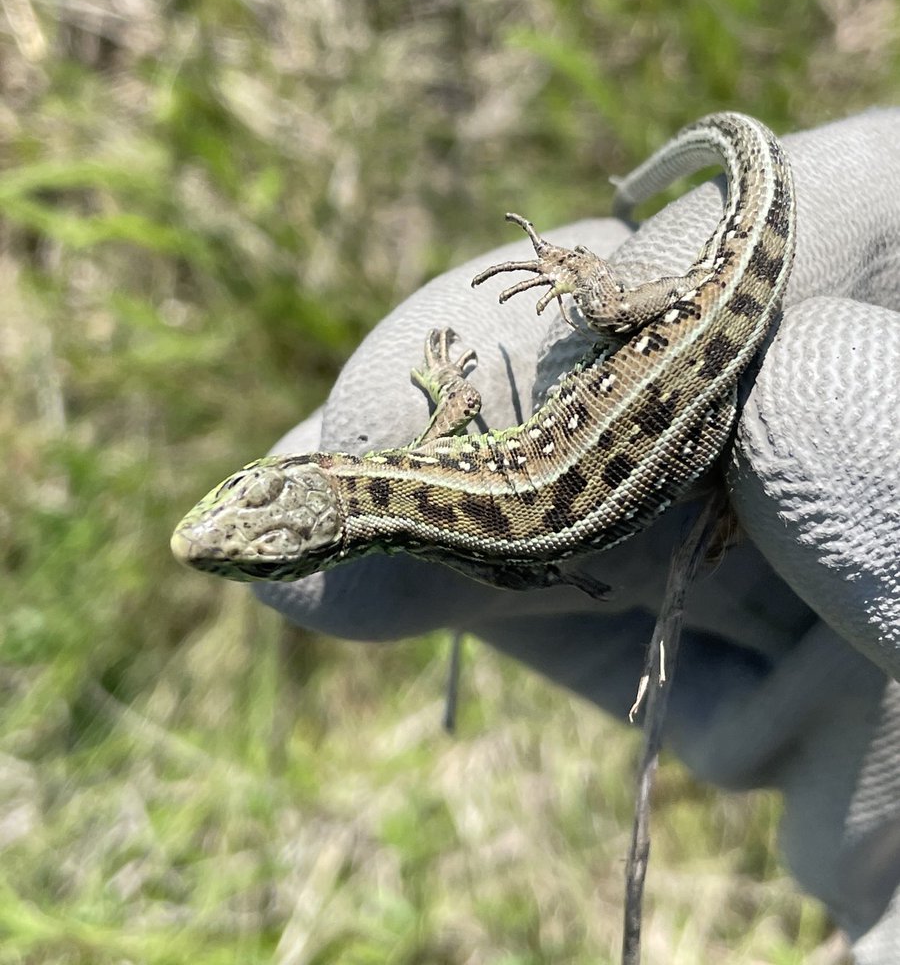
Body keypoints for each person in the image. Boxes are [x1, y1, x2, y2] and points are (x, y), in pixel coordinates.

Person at [252, 110, 900, 964]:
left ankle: (723, 483)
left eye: (252, 500)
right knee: (639, 320)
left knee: (759, 401)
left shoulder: (435, 535)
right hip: (664, 356)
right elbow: (465, 412)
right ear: (329, 524)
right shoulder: (418, 476)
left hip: (683, 384)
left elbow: (522, 570)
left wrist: (560, 568)